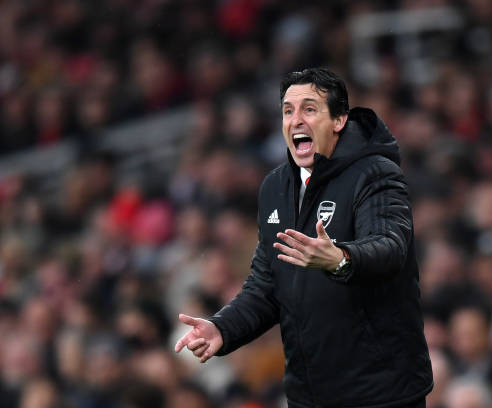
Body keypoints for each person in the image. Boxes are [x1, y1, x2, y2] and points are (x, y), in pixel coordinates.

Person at [175, 68, 433, 407]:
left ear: (339, 120)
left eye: (309, 109)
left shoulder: (375, 173)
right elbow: (266, 286)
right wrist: (223, 328)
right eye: (287, 110)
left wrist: (340, 259)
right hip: (309, 396)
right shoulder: (274, 188)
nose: (296, 119)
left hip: (382, 393)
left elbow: (389, 247)